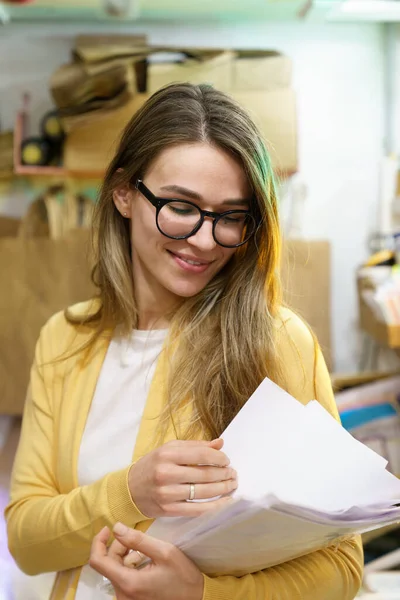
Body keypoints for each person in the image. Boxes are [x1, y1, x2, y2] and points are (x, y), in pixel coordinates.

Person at [5, 82, 363, 600]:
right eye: (180, 206)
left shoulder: (277, 340)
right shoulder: (66, 337)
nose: (203, 239)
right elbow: (28, 541)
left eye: (231, 216)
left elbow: (342, 567)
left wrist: (202, 593)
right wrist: (130, 492)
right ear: (124, 193)